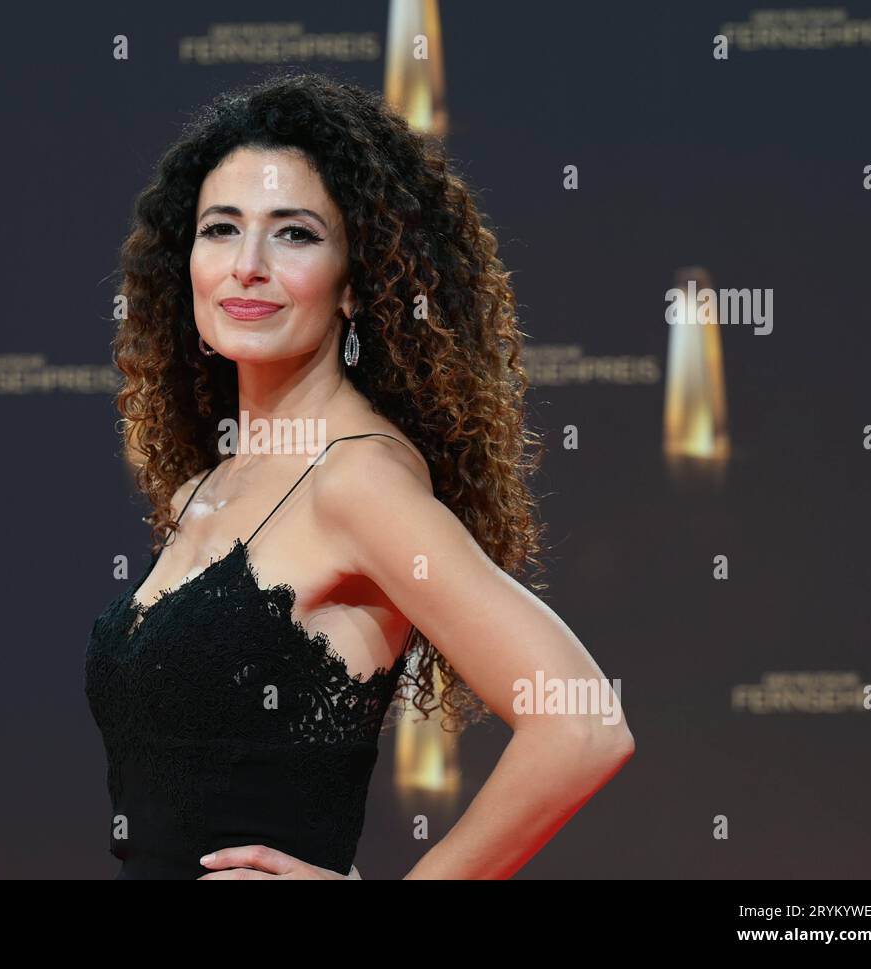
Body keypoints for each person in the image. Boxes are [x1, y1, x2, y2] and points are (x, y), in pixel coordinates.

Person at [85, 71, 634, 880]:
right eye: (221, 228)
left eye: (295, 234)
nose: (248, 265)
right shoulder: (203, 488)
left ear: (354, 284)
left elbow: (583, 724)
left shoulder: (357, 480)